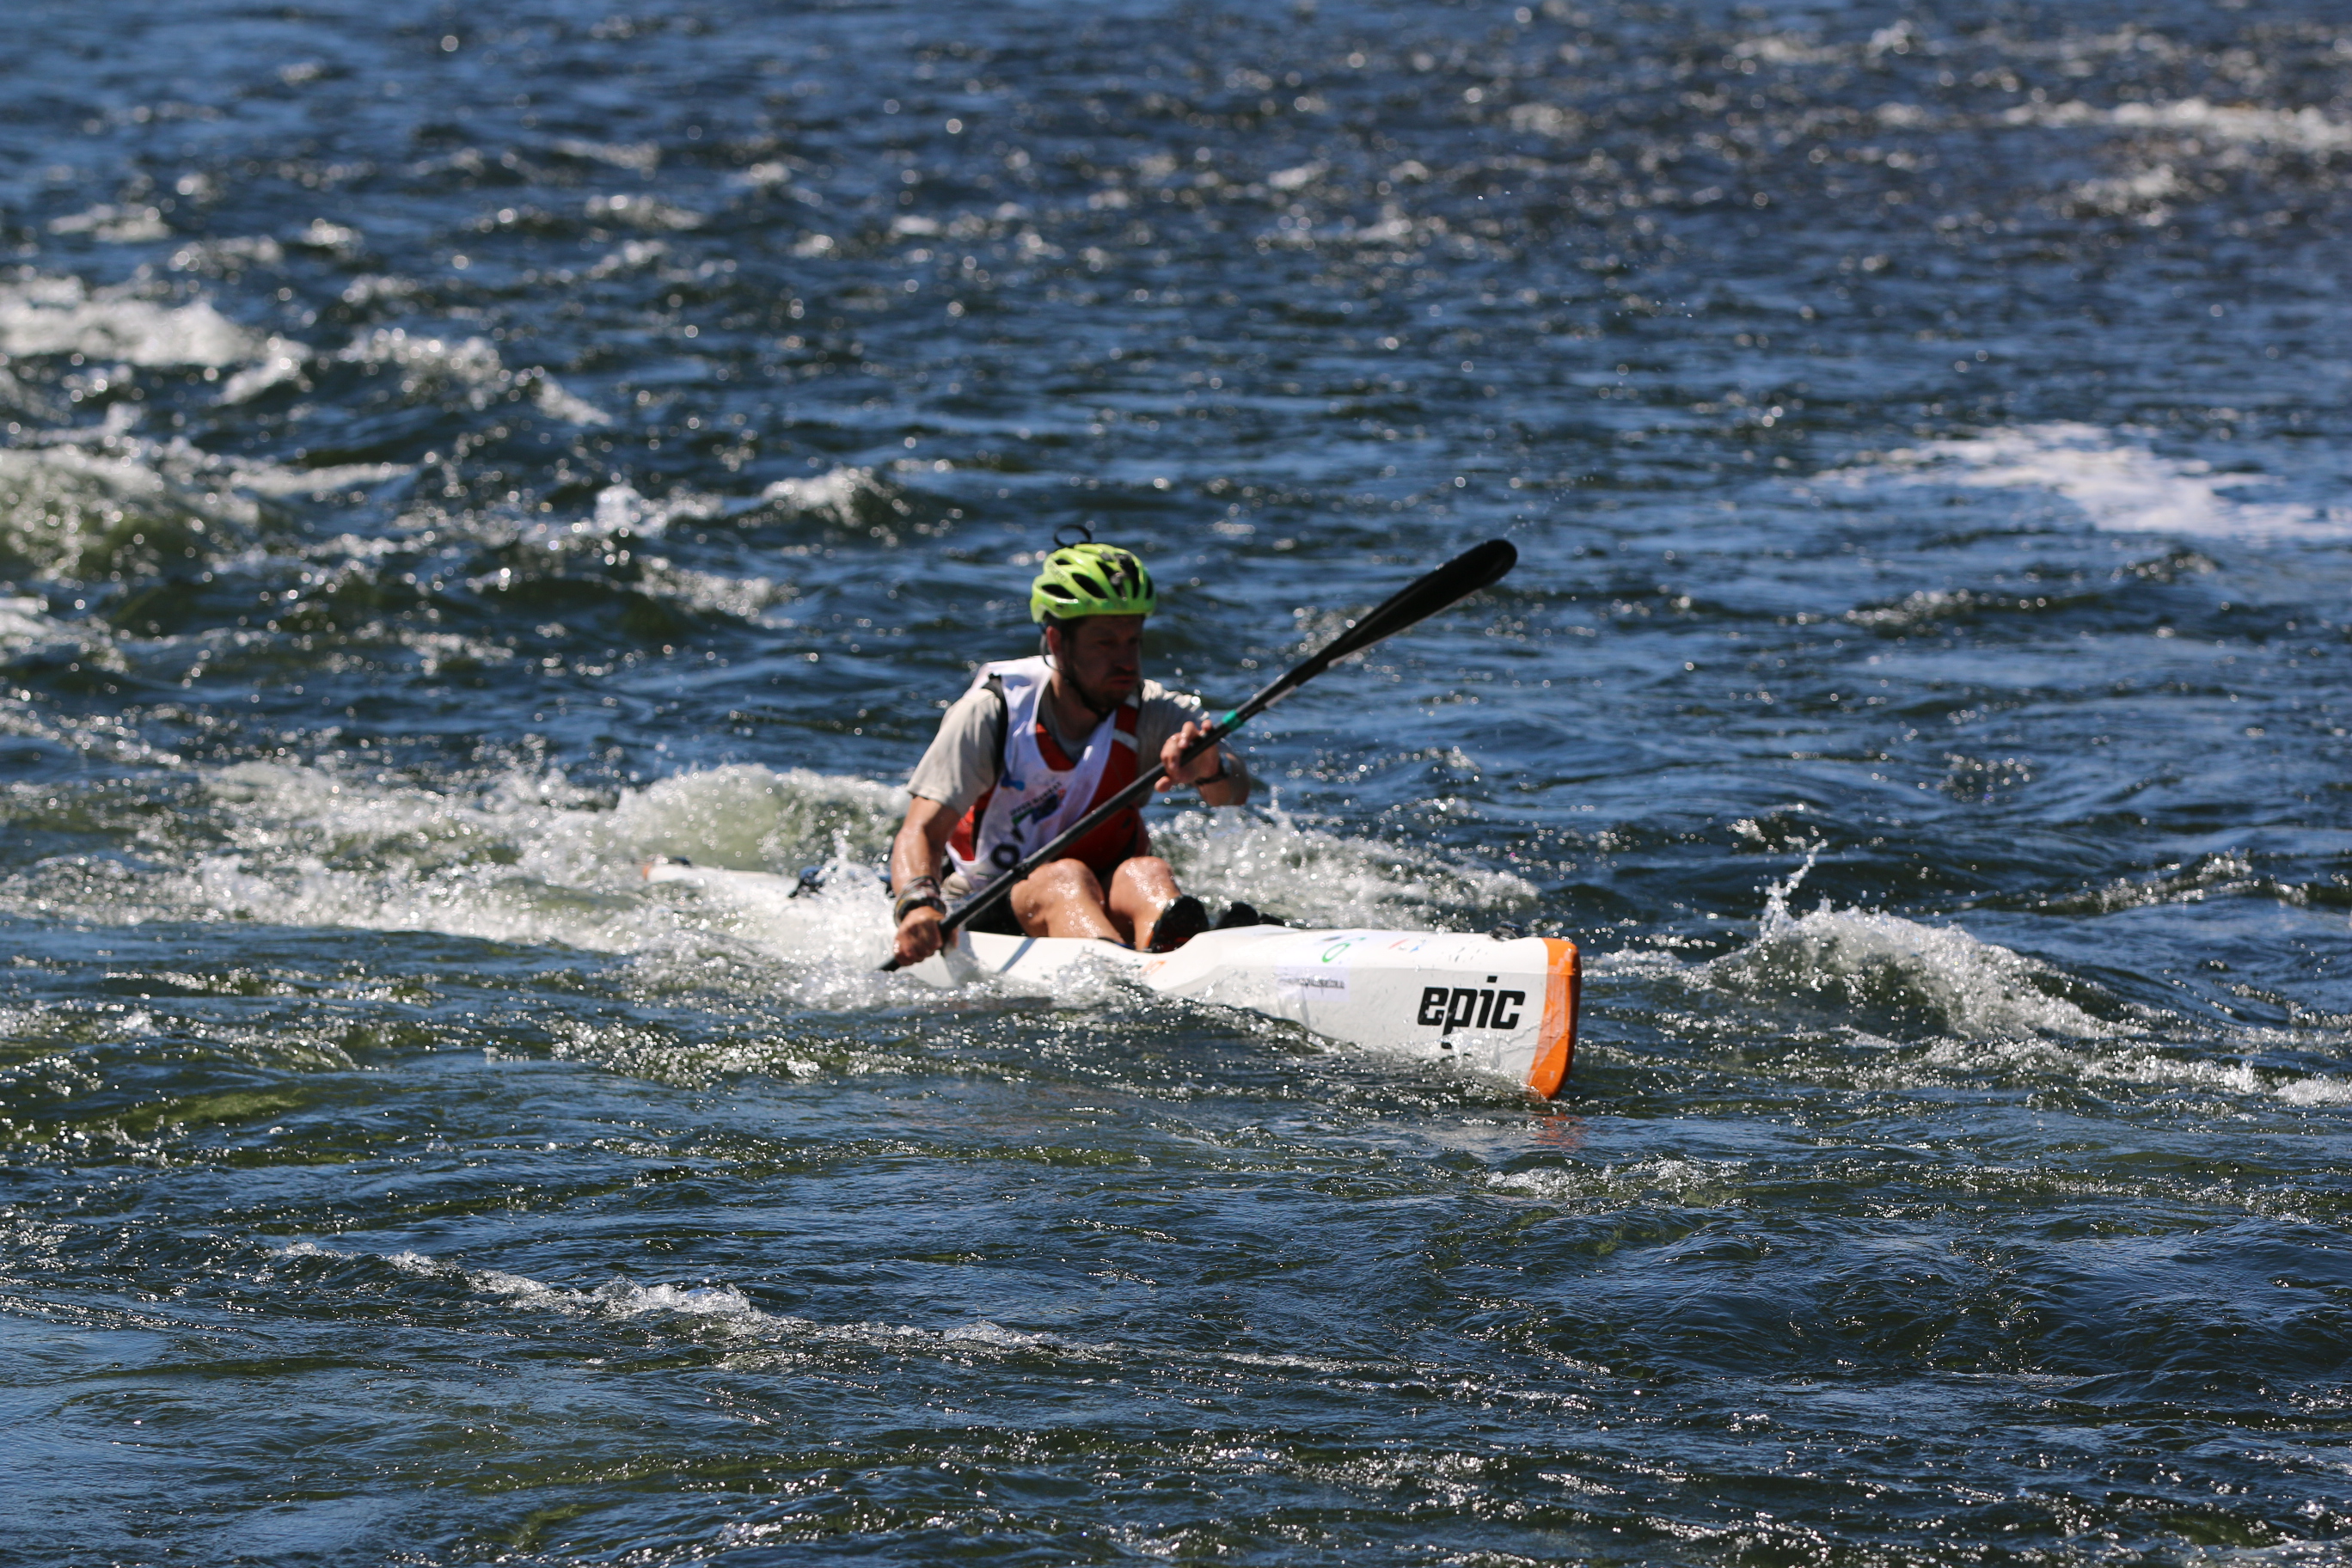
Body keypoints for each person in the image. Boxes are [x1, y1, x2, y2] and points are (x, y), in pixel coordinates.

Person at [888, 542, 1250, 968]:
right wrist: (918, 906)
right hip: (985, 903)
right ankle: (1120, 980)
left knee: (1147, 872)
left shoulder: (1152, 710)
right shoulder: (993, 712)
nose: (1126, 662)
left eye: (1133, 641)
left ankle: (1170, 962)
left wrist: (1209, 767)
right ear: (1057, 642)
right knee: (1065, 878)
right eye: (1105, 643)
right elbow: (920, 832)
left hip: (1099, 890)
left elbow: (1235, 791)